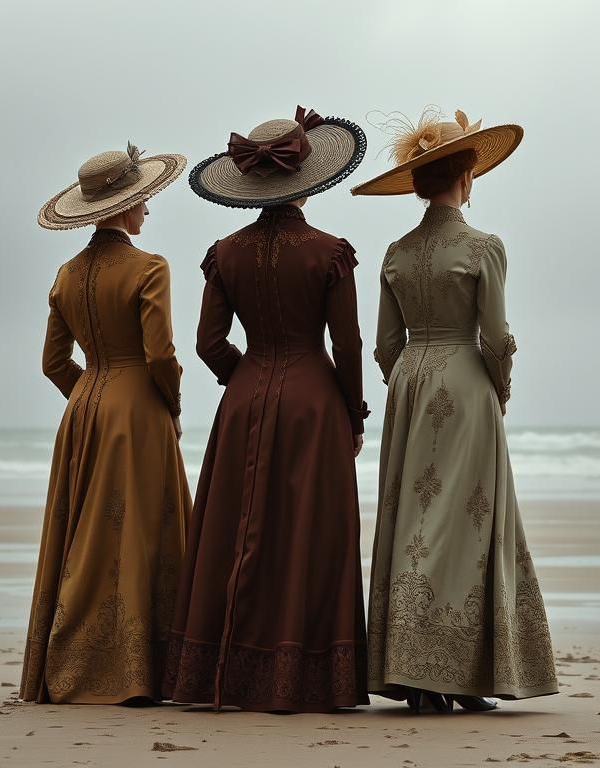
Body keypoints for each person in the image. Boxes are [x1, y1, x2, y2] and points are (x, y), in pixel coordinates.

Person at [350, 108, 559, 712]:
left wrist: (409, 380)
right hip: (465, 385)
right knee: (464, 523)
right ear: (464, 176)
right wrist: (500, 386)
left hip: (411, 382)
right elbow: (494, 336)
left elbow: (387, 345)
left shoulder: (395, 251)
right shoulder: (484, 247)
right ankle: (453, 674)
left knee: (412, 519)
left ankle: (410, 671)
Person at [163, 107, 370, 712]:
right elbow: (348, 344)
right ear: (308, 178)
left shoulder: (224, 253)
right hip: (315, 404)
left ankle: (219, 673)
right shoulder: (330, 253)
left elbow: (206, 344)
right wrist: (352, 412)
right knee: (308, 531)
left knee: (235, 528)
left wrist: (246, 378)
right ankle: (307, 678)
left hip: (244, 400)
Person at [20, 142, 192, 704]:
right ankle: (143, 671)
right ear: (123, 208)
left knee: (84, 537)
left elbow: (52, 363)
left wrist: (88, 399)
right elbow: (160, 354)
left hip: (84, 411)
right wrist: (169, 402)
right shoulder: (149, 267)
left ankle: (73, 663)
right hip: (138, 410)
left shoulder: (66, 275)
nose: (147, 210)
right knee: (142, 533)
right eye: (142, 200)